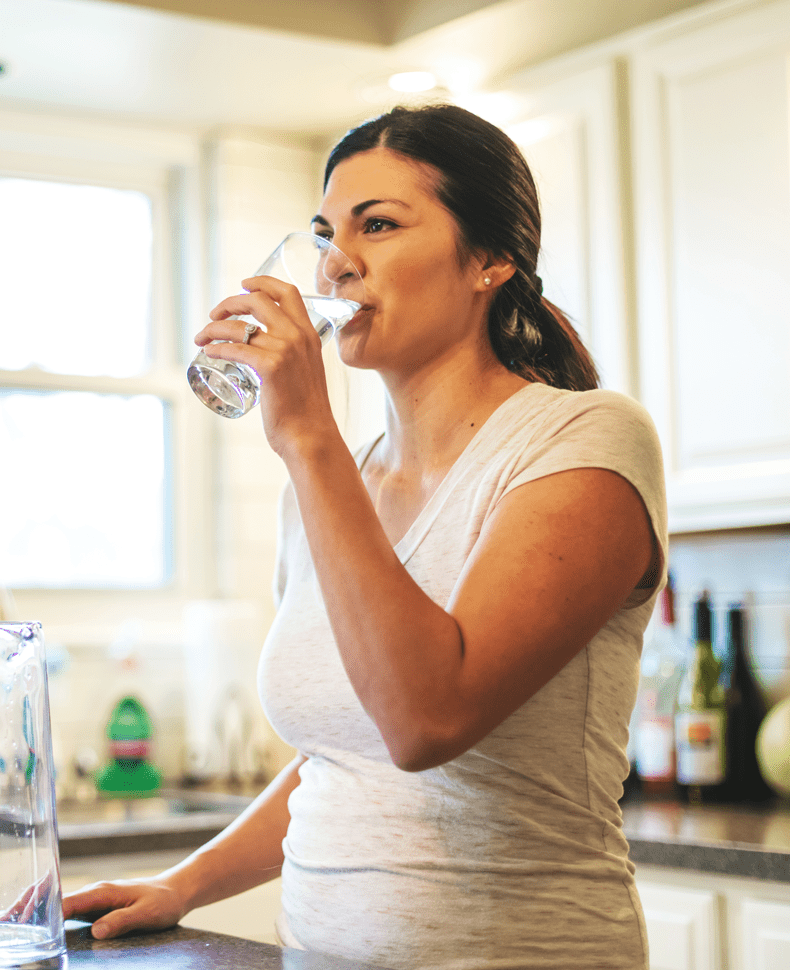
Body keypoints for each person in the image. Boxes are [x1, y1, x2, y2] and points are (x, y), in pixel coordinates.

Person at [64, 103, 667, 970]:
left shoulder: (586, 440)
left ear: (490, 260)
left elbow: (425, 720)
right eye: (324, 232)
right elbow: (339, 761)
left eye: (377, 225)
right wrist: (184, 884)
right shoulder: (333, 484)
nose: (335, 260)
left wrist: (308, 441)